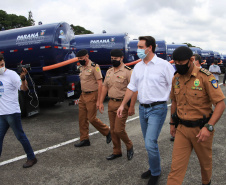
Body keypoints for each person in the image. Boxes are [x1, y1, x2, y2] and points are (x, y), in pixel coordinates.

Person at [117, 36, 175, 185]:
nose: (138, 50)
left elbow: (174, 86)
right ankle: (153, 166)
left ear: (150, 48)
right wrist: (123, 104)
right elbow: (131, 87)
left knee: (150, 142)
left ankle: (155, 172)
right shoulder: (138, 66)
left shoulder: (164, 65)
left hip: (158, 108)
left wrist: (174, 106)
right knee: (148, 142)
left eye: (141, 47)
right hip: (143, 109)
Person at [167, 46, 225, 185]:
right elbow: (174, 102)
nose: (179, 66)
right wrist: (172, 123)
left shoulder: (205, 77)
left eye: (182, 63)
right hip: (181, 128)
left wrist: (209, 127)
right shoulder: (176, 78)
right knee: (175, 168)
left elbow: (220, 104)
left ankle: (206, 182)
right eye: (176, 63)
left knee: (205, 164)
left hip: (201, 129)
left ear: (191, 60)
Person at [0, 53, 37, 168]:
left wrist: (23, 78)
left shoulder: (11, 75)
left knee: (20, 136)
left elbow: (23, 88)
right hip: (1, 114)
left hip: (12, 112)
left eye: (2, 64)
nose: (1, 67)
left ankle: (31, 157)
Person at [99, 49, 137, 161]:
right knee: (113, 129)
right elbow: (105, 86)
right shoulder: (110, 71)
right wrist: (101, 102)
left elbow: (134, 90)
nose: (113, 60)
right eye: (112, 59)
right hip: (111, 103)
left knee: (119, 129)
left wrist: (131, 106)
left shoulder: (128, 71)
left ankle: (129, 145)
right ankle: (117, 151)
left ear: (121, 58)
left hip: (123, 104)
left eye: (116, 59)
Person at [74, 49, 111, 147]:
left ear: (87, 57)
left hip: (92, 95)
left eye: (82, 58)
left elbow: (100, 84)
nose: (80, 60)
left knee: (91, 118)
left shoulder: (95, 67)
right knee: (82, 119)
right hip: (83, 95)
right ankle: (84, 139)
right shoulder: (81, 67)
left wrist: (99, 100)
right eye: (79, 58)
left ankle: (107, 131)